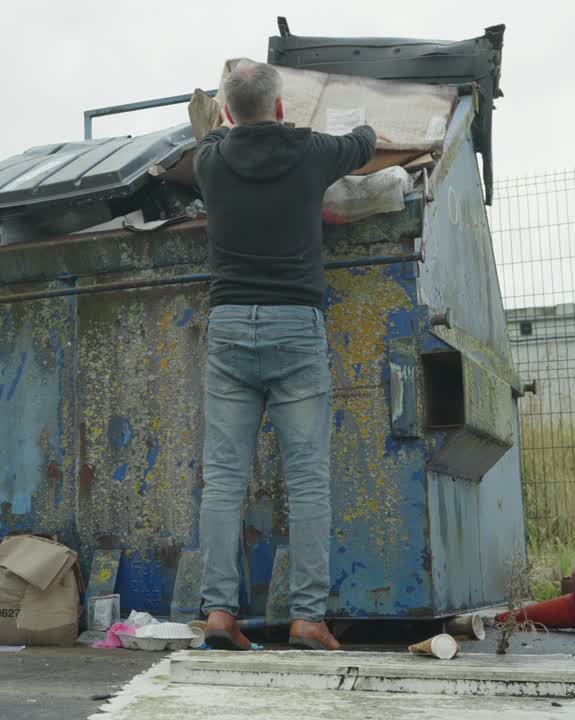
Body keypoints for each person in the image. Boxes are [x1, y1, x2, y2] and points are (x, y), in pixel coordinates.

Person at [192, 60, 377, 651]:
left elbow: (213, 137)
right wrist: (358, 125)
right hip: (296, 327)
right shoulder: (312, 152)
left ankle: (219, 613)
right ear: (279, 108)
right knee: (307, 481)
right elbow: (364, 143)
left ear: (227, 112)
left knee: (223, 480)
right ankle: (307, 618)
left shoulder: (208, 161)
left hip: (228, 327)